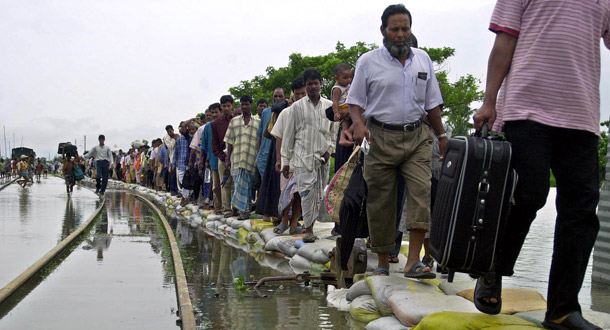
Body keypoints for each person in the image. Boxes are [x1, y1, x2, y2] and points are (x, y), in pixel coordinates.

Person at [472, 1, 610, 328]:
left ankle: (562, 309)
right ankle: (493, 269)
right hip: (527, 105)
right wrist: (490, 100)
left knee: (581, 211)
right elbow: (504, 42)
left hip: (581, 112)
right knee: (529, 193)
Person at [347, 4, 446, 278]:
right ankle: (381, 261)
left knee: (421, 196)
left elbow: (432, 104)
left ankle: (413, 261)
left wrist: (442, 135)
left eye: (405, 29)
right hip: (379, 137)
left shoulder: (423, 59)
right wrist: (358, 124)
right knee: (381, 202)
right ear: (383, 31)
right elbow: (354, 101)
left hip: (416, 137)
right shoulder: (368, 61)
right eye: (395, 29)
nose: (400, 35)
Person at [281, 69, 336, 242]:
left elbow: (334, 131)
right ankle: (309, 229)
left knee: (319, 193)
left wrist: (329, 150)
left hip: (322, 158)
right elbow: (288, 135)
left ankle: (309, 224)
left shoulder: (329, 106)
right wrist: (285, 161)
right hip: (302, 157)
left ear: (321, 84)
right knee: (306, 193)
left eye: (315, 83)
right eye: (309, 83)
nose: (313, 86)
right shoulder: (296, 107)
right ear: (305, 85)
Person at [270, 77, 307, 234]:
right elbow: (279, 136)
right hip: (288, 159)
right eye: (297, 94)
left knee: (298, 192)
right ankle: (284, 220)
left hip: (305, 159)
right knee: (286, 191)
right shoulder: (286, 113)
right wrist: (279, 159)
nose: (300, 97)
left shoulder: (313, 111)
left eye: (303, 94)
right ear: (293, 94)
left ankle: (294, 223)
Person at [224, 95, 261, 219]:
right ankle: (241, 211)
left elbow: (259, 142)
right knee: (237, 186)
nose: (244, 107)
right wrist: (227, 158)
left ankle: (244, 210)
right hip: (237, 159)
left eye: (247, 104)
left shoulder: (257, 122)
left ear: (251, 105)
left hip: (251, 160)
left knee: (248, 187)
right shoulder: (234, 122)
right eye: (242, 104)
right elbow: (229, 142)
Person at [255, 88, 287, 222]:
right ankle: (270, 213)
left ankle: (281, 214)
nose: (278, 99)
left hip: (283, 150)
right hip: (269, 152)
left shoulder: (287, 109)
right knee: (268, 183)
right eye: (275, 96)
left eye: (280, 96)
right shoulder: (267, 112)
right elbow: (262, 134)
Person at [213, 95, 237, 218]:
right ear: (221, 107)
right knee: (225, 184)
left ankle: (236, 208)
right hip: (223, 157)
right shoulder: (216, 123)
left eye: (228, 105)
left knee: (235, 183)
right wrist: (222, 156)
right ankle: (226, 209)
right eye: (224, 106)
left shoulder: (237, 120)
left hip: (236, 156)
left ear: (232, 106)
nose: (226, 108)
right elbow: (215, 143)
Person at [202, 103, 222, 214]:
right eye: (212, 113)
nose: (214, 115)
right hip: (213, 160)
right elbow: (204, 146)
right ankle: (218, 207)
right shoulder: (208, 127)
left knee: (226, 186)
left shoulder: (226, 124)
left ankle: (226, 207)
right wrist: (204, 160)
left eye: (216, 112)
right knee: (216, 186)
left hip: (224, 159)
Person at [172, 122, 193, 205]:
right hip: (181, 163)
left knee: (188, 181)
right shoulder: (179, 140)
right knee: (182, 181)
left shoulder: (190, 138)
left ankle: (186, 197)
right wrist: (173, 164)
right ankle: (186, 197)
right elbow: (176, 152)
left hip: (189, 163)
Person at [164, 125, 179, 195]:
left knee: (178, 175)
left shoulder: (178, 135)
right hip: (172, 157)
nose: (170, 133)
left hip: (179, 158)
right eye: (168, 132)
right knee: (173, 174)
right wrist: (174, 139)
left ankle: (178, 190)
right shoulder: (167, 139)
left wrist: (176, 138)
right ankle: (173, 190)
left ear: (173, 130)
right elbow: (170, 147)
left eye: (170, 131)